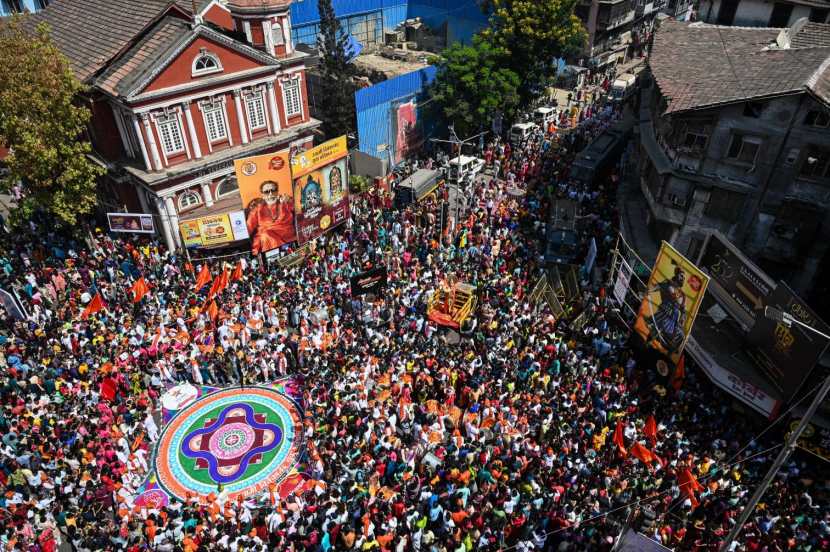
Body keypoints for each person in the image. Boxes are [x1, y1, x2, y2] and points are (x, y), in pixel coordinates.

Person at [245, 180, 296, 255]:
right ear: (262, 195)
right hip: (266, 238)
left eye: (273, 190)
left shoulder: (286, 201)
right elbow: (248, 227)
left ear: (277, 191)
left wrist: (290, 201)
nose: (270, 194)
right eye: (266, 192)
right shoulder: (257, 209)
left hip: (287, 234)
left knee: (266, 236)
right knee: (265, 235)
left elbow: (299, 209)